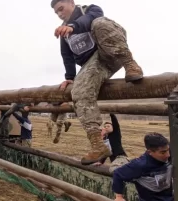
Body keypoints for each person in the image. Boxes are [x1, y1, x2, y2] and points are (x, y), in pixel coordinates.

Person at [51, 0, 144, 165]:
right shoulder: (64, 33)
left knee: (100, 23)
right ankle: (98, 145)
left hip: (109, 51)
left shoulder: (89, 10)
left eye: (61, 9)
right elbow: (66, 56)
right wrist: (70, 77)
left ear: (71, 3)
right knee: (79, 92)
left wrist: (73, 27)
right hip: (93, 65)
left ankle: (130, 64)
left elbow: (90, 20)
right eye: (56, 12)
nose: (59, 14)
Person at [112, 132, 172, 201]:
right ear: (150, 152)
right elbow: (118, 174)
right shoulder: (139, 165)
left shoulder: (169, 153)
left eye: (168, 150)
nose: (168, 155)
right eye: (163, 152)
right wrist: (119, 197)